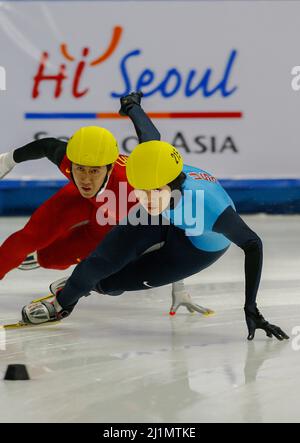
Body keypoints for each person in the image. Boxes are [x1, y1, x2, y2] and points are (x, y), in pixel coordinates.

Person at [21, 137, 289, 341]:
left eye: (154, 191)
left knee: (109, 284)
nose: (145, 199)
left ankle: (91, 285)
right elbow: (149, 137)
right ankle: (61, 304)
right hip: (163, 216)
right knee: (99, 262)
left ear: (172, 185)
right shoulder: (152, 181)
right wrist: (134, 107)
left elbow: (253, 244)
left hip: (197, 247)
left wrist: (251, 306)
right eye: (140, 191)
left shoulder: (212, 210)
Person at [0, 93, 206, 315]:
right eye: (80, 169)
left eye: (94, 171)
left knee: (60, 262)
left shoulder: (140, 185)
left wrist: (179, 286)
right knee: (28, 238)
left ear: (108, 167)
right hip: (80, 200)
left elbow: (175, 232)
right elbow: (47, 146)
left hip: (112, 223)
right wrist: (7, 160)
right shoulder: (69, 163)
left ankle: (43, 259)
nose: (86, 179)